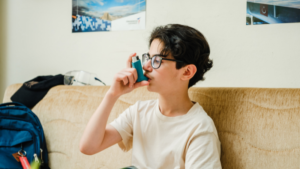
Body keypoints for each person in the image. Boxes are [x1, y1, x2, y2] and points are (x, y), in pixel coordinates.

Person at [79, 24, 222, 169]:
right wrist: (113, 94)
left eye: (157, 60)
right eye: (148, 57)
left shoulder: (200, 128)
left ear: (186, 72)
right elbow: (88, 147)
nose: (146, 65)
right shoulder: (140, 111)